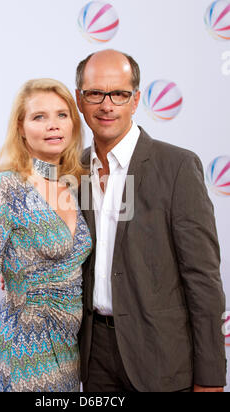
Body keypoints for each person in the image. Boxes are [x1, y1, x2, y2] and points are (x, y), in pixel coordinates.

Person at [75, 49, 226, 392]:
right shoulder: (75, 172)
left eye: (119, 94)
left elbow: (203, 282)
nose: (107, 105)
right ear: (79, 100)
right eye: (95, 93)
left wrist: (211, 378)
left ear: (136, 99)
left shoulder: (176, 167)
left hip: (162, 359)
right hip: (93, 357)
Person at [0, 78, 92, 392]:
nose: (53, 125)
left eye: (62, 115)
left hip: (69, 350)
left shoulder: (73, 184)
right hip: (24, 349)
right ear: (21, 127)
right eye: (39, 117)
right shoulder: (3, 188)